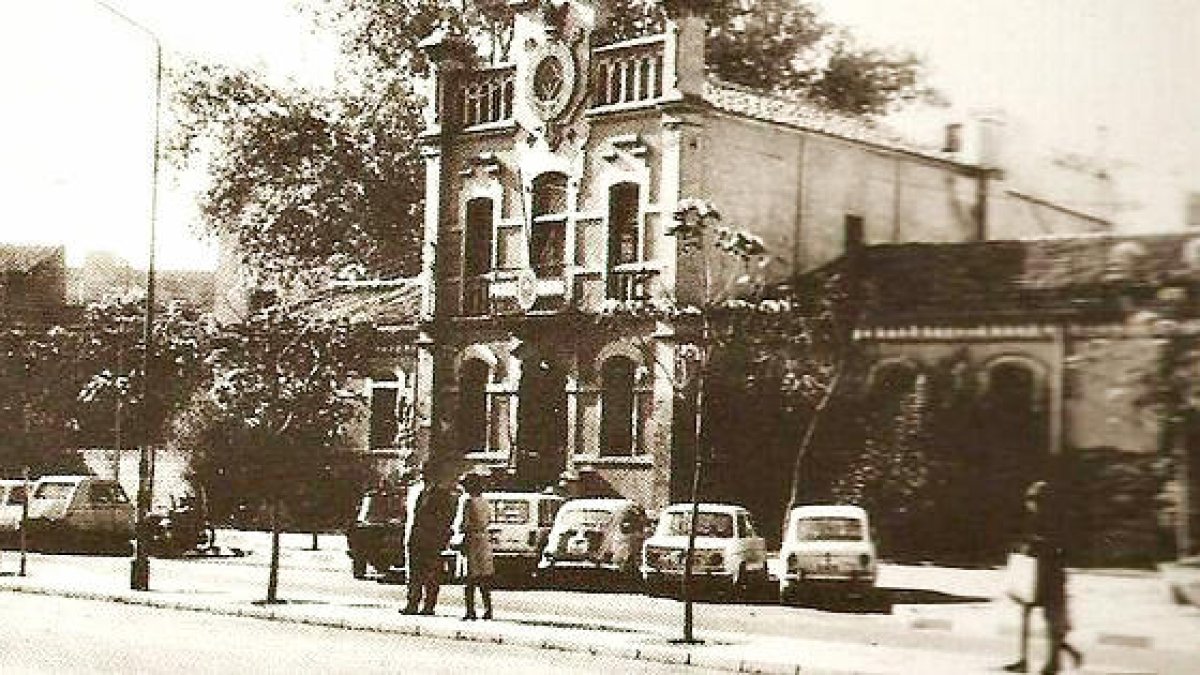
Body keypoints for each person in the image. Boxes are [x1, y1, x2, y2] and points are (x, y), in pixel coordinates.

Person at [1003, 480, 1083, 674]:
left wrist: (1036, 545)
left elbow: (1060, 547)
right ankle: (1025, 660)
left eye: (1034, 499)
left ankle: (1054, 661)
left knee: (1051, 621)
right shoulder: (1035, 519)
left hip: (1051, 576)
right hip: (1035, 576)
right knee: (1029, 617)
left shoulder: (1056, 521)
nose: (1030, 503)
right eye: (1030, 499)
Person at [401, 464, 457, 616]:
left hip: (432, 538)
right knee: (413, 572)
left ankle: (429, 605)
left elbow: (447, 516)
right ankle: (412, 603)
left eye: (428, 473)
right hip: (414, 536)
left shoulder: (442, 494)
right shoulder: (414, 491)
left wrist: (441, 534)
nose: (425, 476)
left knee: (431, 574)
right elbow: (409, 514)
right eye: (423, 473)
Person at [459, 473, 495, 620]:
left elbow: (464, 523)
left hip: (471, 539)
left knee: (469, 578)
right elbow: (489, 519)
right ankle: (488, 609)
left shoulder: (467, 501)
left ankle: (470, 610)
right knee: (484, 577)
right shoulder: (484, 501)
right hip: (484, 539)